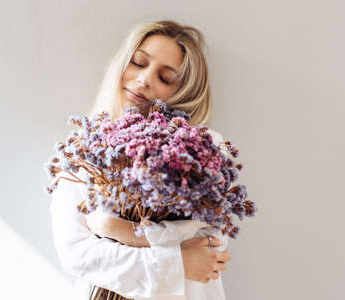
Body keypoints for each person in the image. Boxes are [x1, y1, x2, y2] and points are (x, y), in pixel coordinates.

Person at [49, 20, 231, 300]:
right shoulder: (81, 154)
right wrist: (177, 263)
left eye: (165, 78)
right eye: (138, 63)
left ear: (184, 92)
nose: (145, 79)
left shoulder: (205, 148)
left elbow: (210, 249)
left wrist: (116, 229)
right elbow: (77, 255)